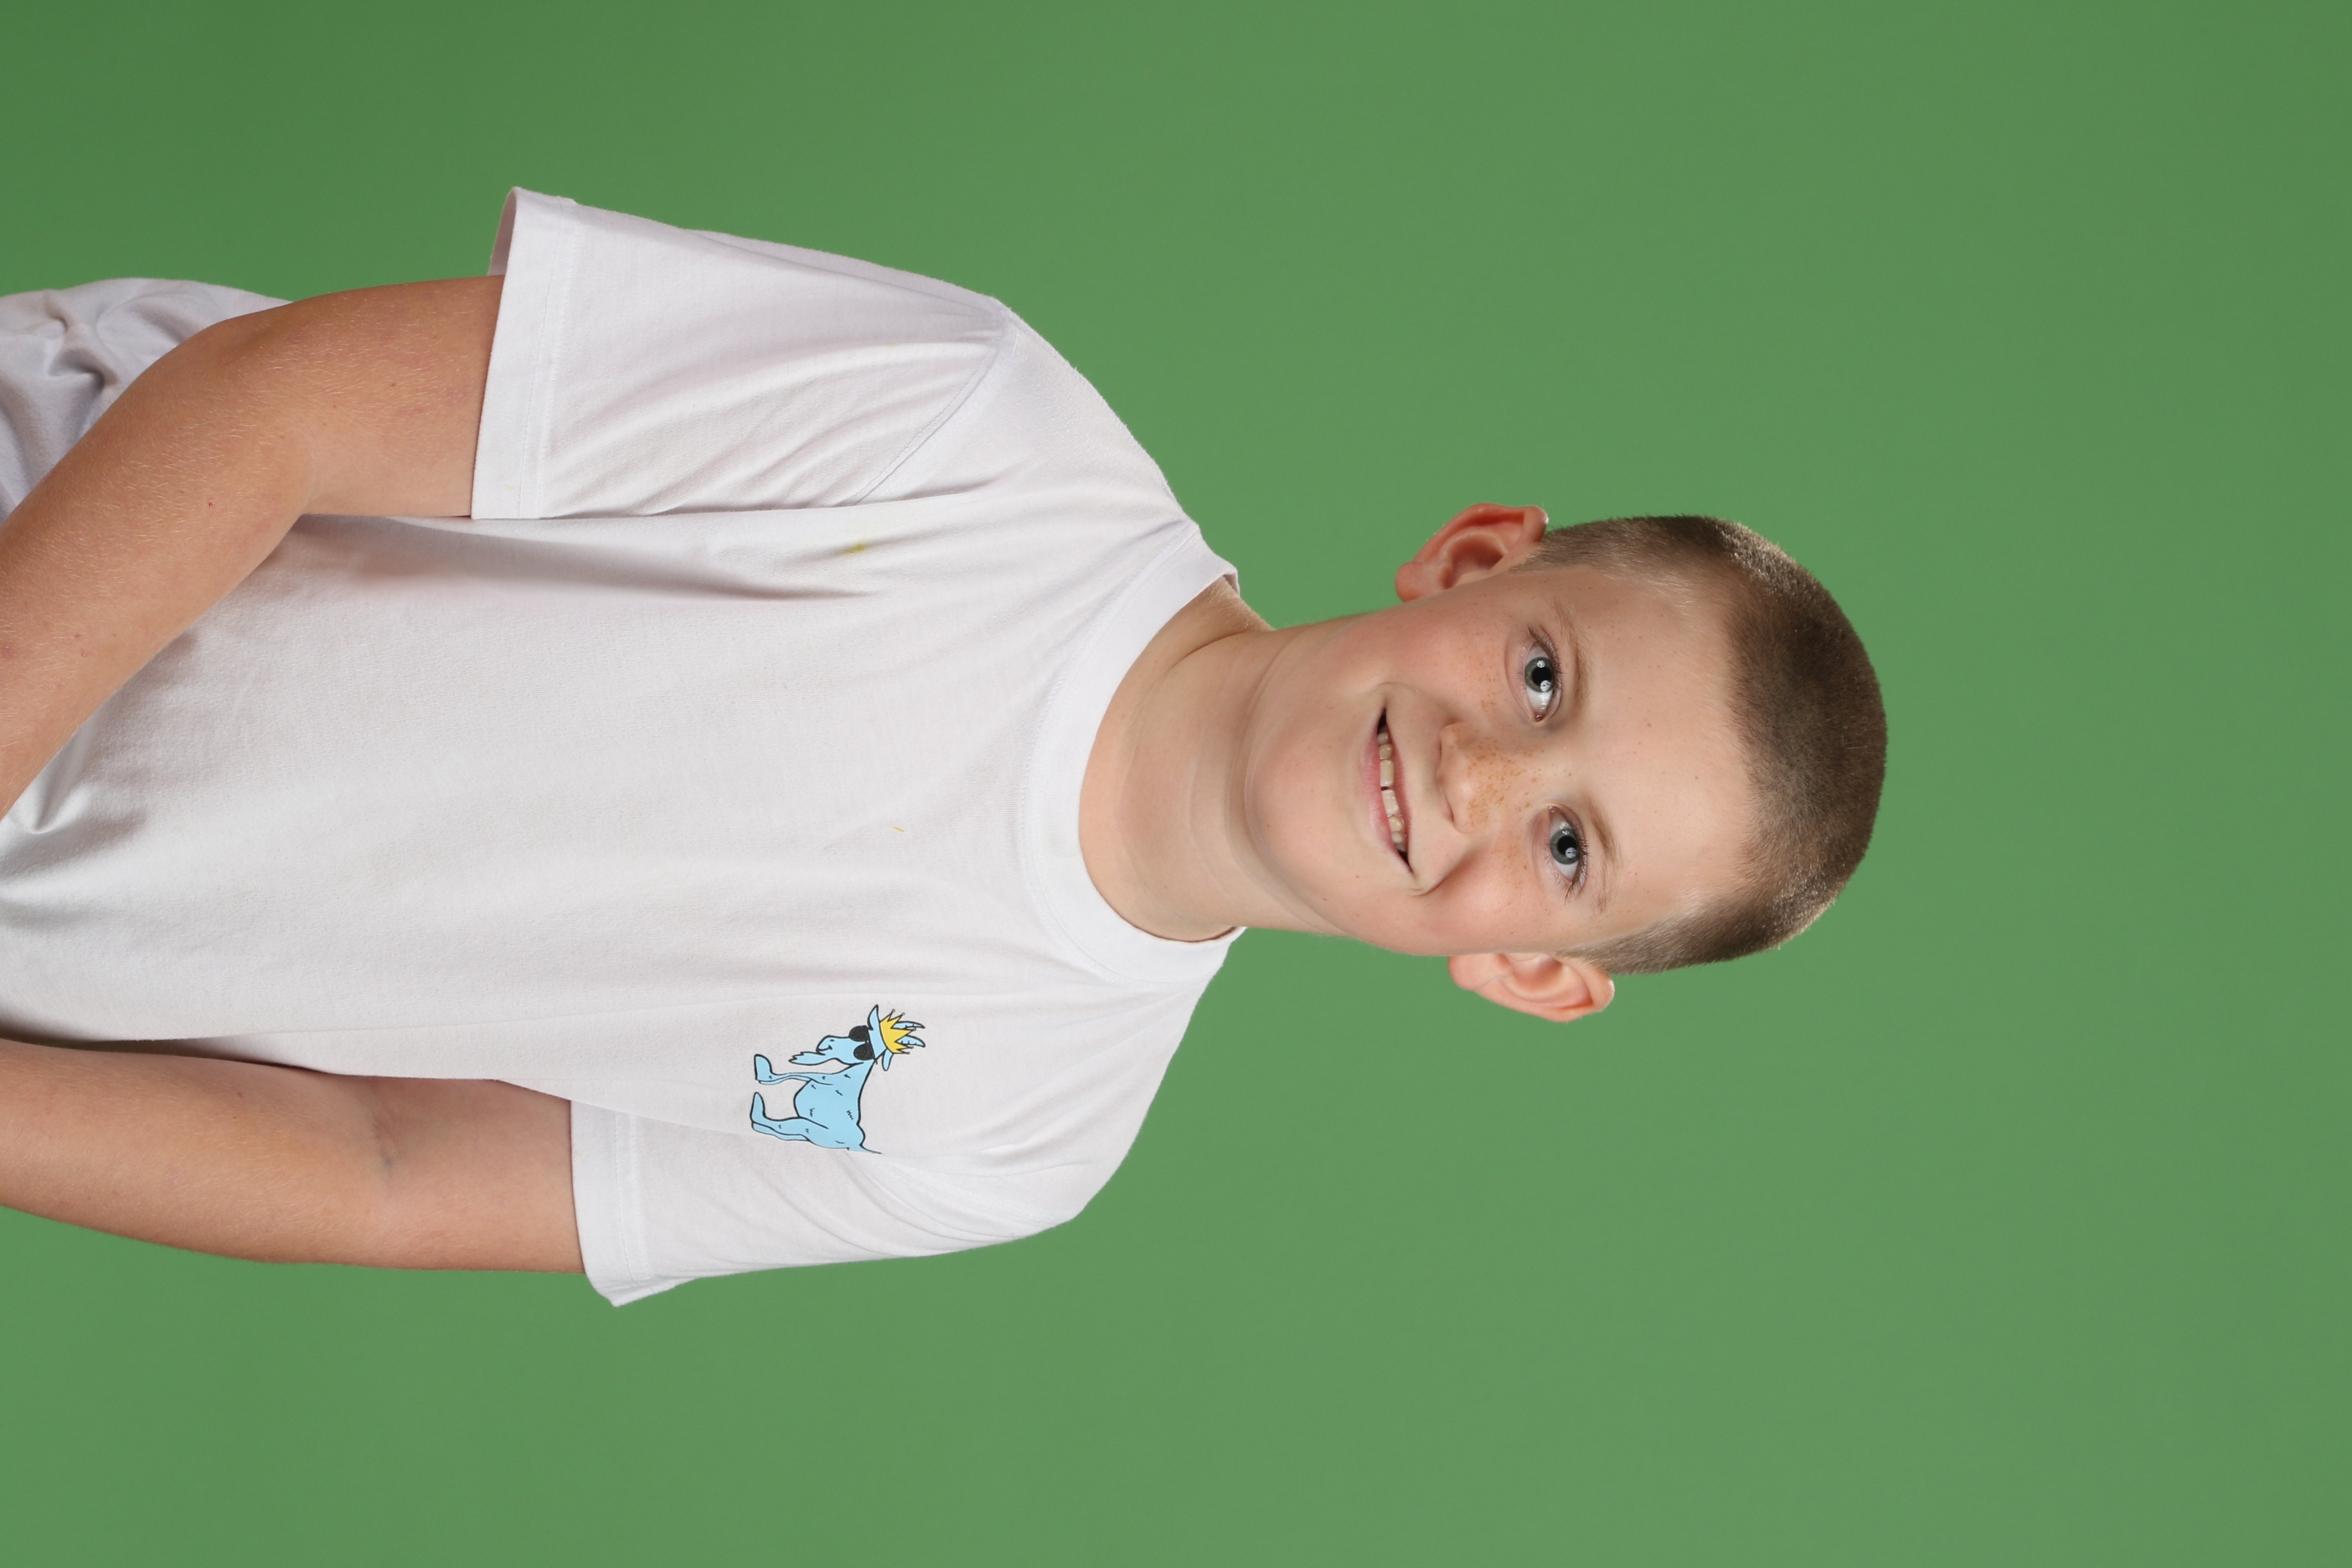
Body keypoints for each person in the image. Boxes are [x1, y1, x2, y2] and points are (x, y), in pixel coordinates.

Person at [0, 192, 1885, 1303]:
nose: (1482, 777)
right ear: (1477, 562)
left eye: (1570, 848)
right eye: (1544, 678)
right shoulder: (978, 436)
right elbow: (268, 410)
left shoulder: (1013, 1135)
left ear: (1536, 971)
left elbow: (387, 1168)